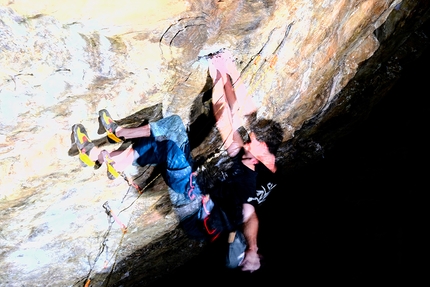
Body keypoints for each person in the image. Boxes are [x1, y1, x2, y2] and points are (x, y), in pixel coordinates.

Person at [70, 50, 283, 272]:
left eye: (253, 143)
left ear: (262, 154)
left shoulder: (247, 177)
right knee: (173, 126)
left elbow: (250, 215)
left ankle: (108, 145)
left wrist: (251, 249)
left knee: (170, 150)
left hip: (193, 203)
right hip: (199, 192)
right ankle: (116, 155)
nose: (248, 143)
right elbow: (230, 115)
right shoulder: (260, 167)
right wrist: (222, 72)